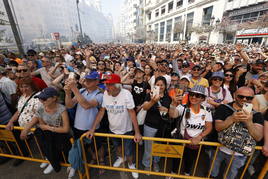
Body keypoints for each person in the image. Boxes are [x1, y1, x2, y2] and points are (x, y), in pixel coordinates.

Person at [85, 73, 141, 179]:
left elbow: (132, 113)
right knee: (117, 147)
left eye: (109, 85)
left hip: (126, 130)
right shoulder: (106, 94)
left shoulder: (126, 94)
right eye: (106, 85)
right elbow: (102, 111)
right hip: (113, 129)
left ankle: (131, 164)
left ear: (117, 86)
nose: (106, 88)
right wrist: (92, 129)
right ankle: (120, 158)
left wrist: (137, 132)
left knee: (129, 151)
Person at [211, 87, 264, 179]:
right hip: (219, 148)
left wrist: (249, 123)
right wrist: (231, 119)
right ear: (235, 96)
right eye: (241, 96)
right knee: (213, 173)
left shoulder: (256, 115)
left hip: (239, 154)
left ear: (252, 99)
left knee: (230, 176)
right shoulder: (223, 108)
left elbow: (258, 137)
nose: (244, 99)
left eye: (249, 98)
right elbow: (217, 128)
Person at [20, 87, 71, 175]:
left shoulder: (61, 109)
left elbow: (66, 129)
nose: (41, 100)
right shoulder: (40, 107)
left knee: (65, 151)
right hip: (50, 135)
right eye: (40, 98)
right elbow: (41, 124)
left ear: (54, 98)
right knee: (45, 142)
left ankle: (70, 164)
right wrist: (26, 129)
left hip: (62, 136)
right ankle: (52, 160)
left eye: (44, 98)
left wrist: (49, 128)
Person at [169, 85, 212, 177]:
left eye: (197, 95)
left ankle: (187, 173)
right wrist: (173, 104)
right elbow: (173, 115)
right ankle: (173, 173)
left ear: (203, 99)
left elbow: (209, 127)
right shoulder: (183, 107)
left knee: (190, 160)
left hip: (195, 143)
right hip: (181, 140)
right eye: (192, 94)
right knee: (176, 159)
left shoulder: (207, 111)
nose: (194, 97)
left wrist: (199, 137)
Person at [6, 78, 41, 166]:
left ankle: (48, 159)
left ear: (32, 86)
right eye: (21, 87)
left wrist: (26, 129)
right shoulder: (22, 96)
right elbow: (18, 111)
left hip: (37, 128)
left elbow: (38, 115)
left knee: (43, 145)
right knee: (38, 145)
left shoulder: (38, 96)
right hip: (26, 128)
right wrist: (10, 122)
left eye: (26, 87)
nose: (23, 89)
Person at [142, 76, 172, 172]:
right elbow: (145, 107)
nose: (160, 86)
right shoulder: (150, 94)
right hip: (149, 125)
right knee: (148, 147)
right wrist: (153, 101)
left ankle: (155, 162)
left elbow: (171, 112)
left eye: (162, 85)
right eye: (157, 84)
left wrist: (167, 110)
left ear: (165, 86)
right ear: (154, 85)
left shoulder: (168, 97)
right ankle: (147, 163)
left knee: (158, 146)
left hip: (162, 126)